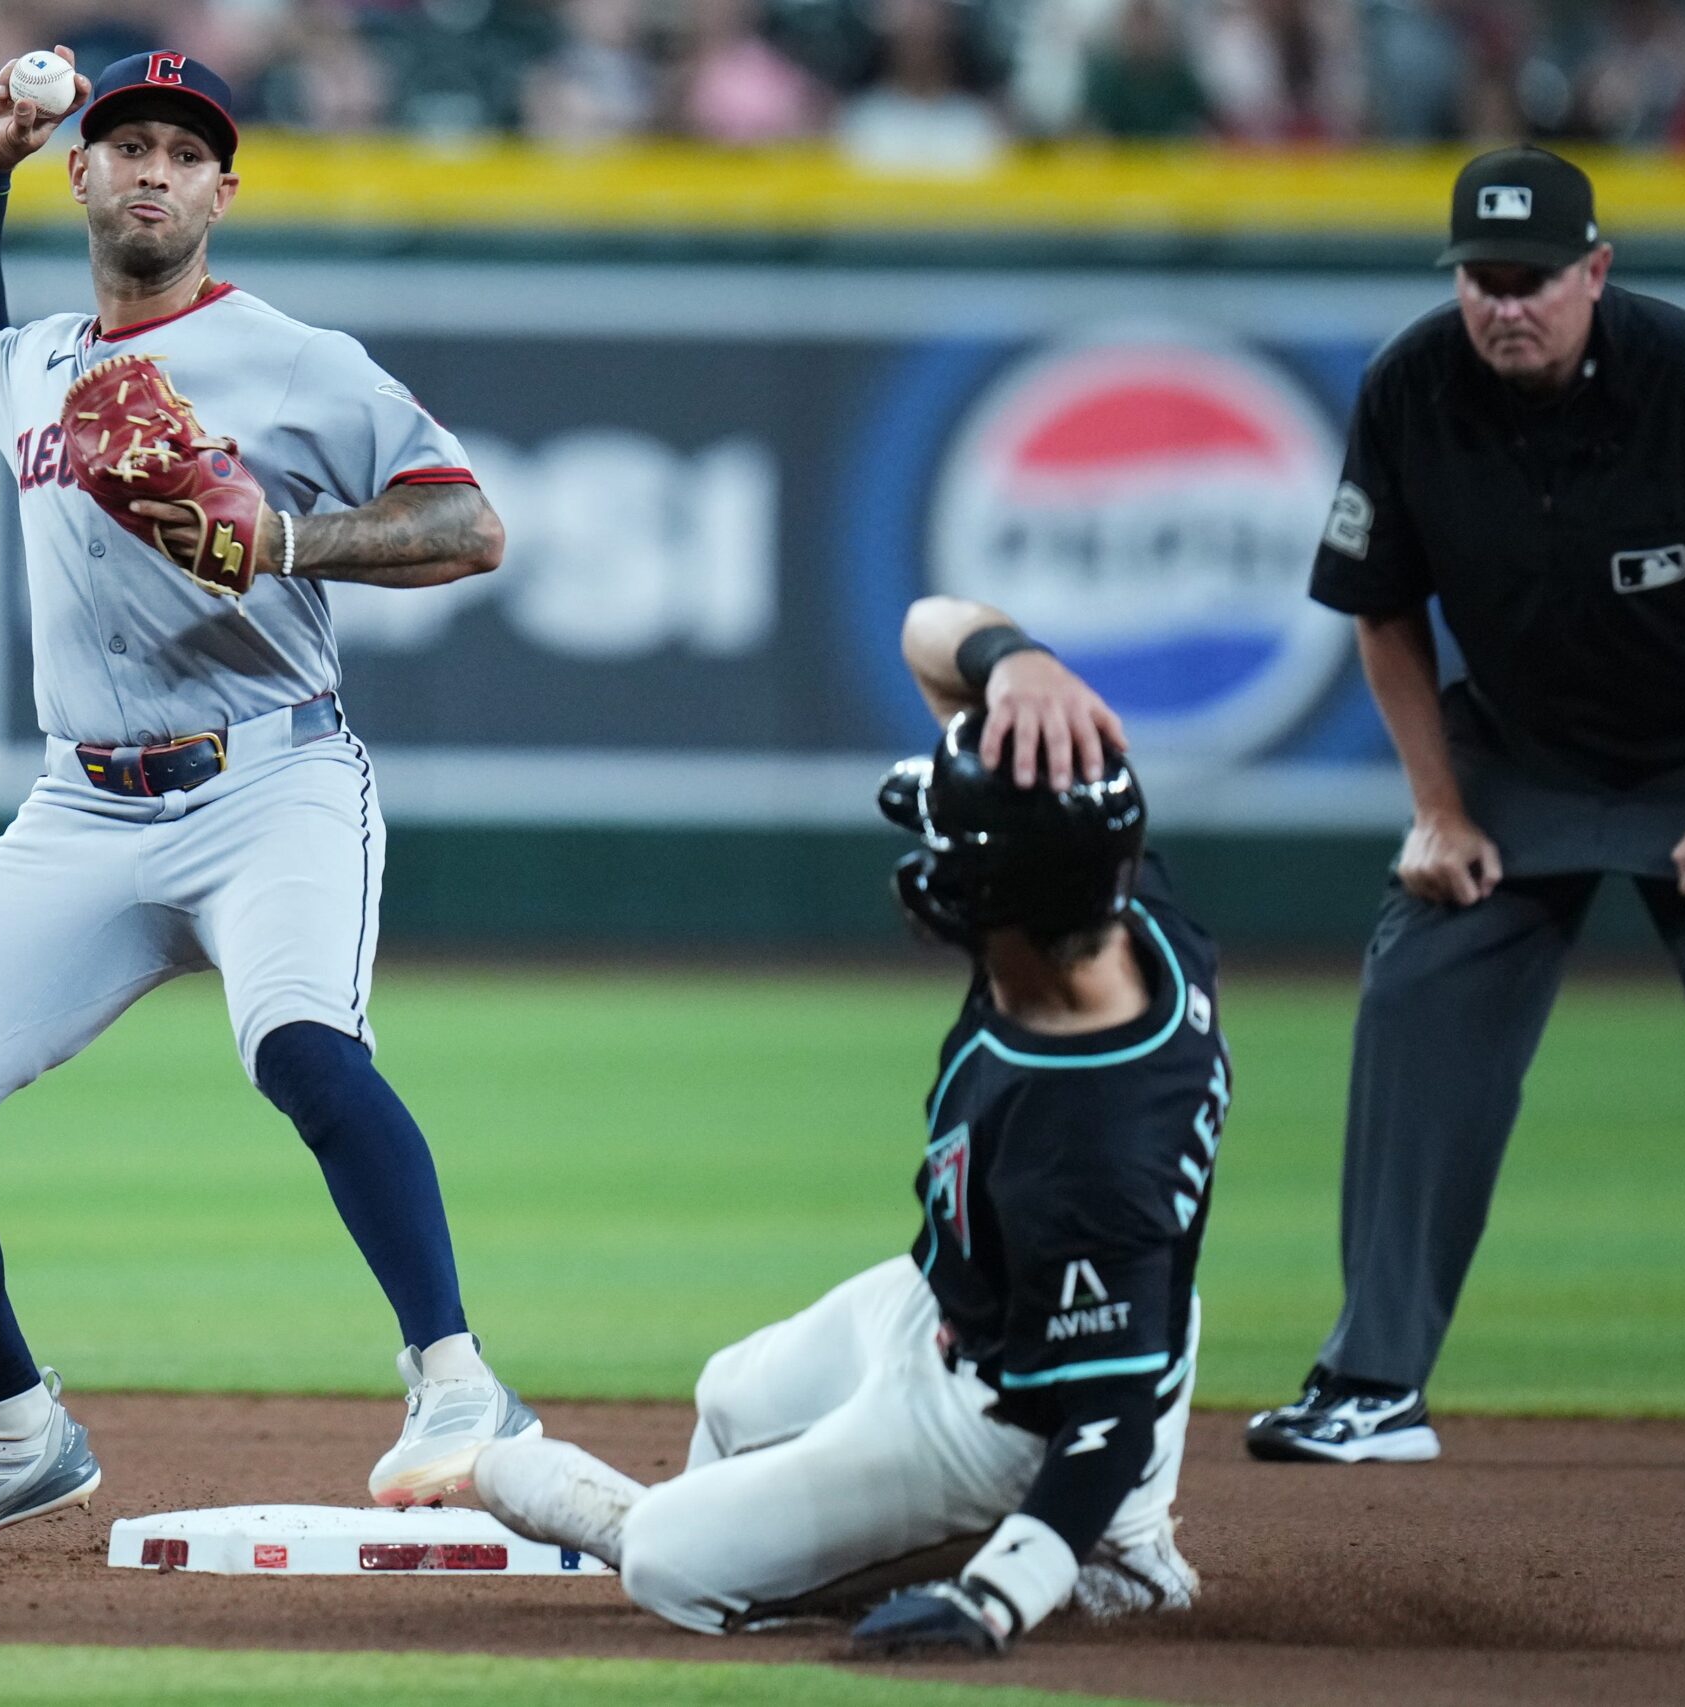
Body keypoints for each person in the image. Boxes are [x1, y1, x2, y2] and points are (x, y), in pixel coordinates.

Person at [0, 45, 538, 1551]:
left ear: (223, 187)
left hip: (268, 776)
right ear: (80, 175)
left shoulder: (291, 356)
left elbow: (468, 525)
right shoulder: (31, 364)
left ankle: (461, 1384)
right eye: (125, 142)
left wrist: (281, 539)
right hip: (80, 809)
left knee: (304, 1048)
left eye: (182, 148)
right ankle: (16, 1428)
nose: (151, 166)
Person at [1249, 146, 1685, 1474]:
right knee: (1421, 982)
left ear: (1596, 269)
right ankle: (1372, 1380)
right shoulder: (1412, 385)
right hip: (1523, 746)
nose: (1502, 303)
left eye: (1530, 278)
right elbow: (1381, 605)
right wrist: (1435, 805)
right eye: (1481, 276)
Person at [472, 597, 1231, 1657]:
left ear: (998, 895)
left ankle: (1106, 1561)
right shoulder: (1116, 912)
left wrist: (998, 1599)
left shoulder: (1091, 1142)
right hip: (968, 1299)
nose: (931, 864)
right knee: (730, 1397)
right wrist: (1016, 664)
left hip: (1012, 1418)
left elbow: (1106, 1421)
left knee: (668, 1566)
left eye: (954, 853)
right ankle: (782, 1535)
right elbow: (927, 627)